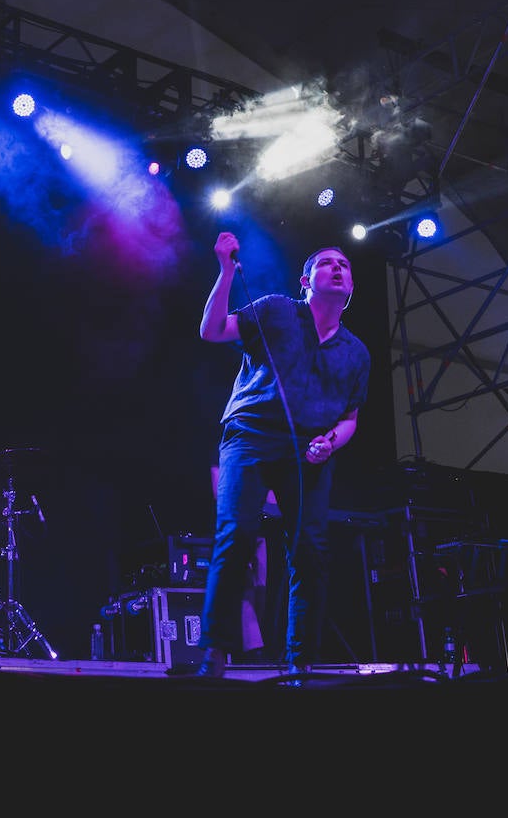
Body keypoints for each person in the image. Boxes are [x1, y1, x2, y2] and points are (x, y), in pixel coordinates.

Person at [194, 233, 371, 680]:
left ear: (350, 287)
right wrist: (226, 271)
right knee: (236, 537)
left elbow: (350, 418)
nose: (337, 268)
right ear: (306, 279)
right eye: (326, 262)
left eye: (344, 265)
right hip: (250, 436)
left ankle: (301, 662)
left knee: (310, 551)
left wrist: (331, 441)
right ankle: (214, 655)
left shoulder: (356, 353)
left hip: (307, 451)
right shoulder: (275, 309)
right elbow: (212, 330)